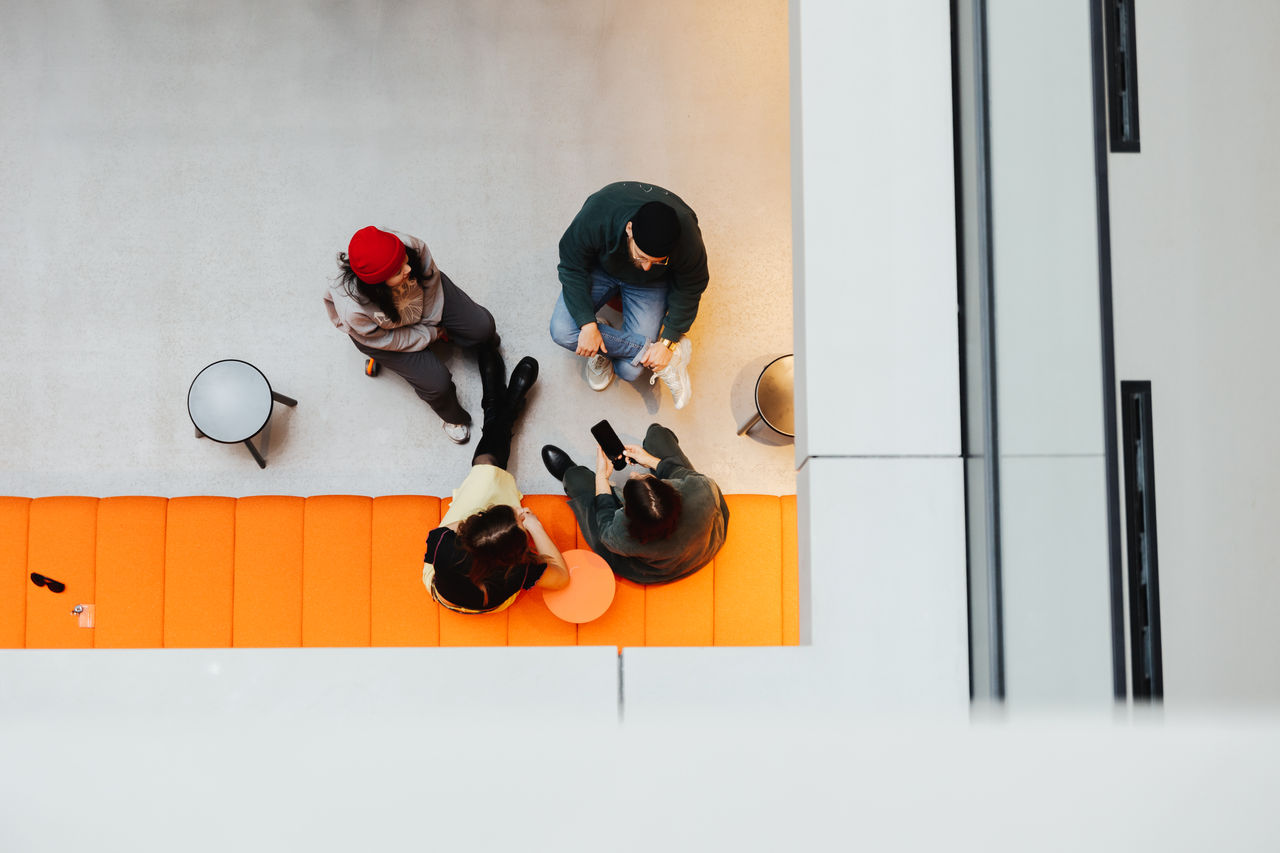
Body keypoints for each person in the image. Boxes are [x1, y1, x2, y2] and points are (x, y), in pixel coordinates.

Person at [424, 354, 571, 613]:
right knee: (488, 469)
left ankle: (495, 405)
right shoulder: (516, 572)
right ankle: (505, 406)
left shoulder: (442, 542)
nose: (519, 514)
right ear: (516, 554)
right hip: (490, 604)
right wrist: (535, 527)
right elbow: (562, 578)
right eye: (520, 522)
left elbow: (451, 528)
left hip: (444, 591)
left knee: (486, 468)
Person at [325, 226, 499, 444]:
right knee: (437, 383)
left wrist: (432, 323)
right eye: (398, 272)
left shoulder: (410, 246)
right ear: (378, 286)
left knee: (482, 327)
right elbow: (385, 339)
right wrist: (430, 333)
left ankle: (464, 338)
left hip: (424, 301)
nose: (408, 268)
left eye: (404, 260)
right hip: (382, 336)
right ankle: (452, 418)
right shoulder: (353, 309)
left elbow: (433, 283)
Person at [549, 181, 709, 409]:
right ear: (629, 229)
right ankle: (669, 358)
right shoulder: (599, 212)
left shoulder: (687, 239)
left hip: (651, 286)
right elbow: (571, 266)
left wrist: (668, 339)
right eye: (641, 256)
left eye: (658, 261)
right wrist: (587, 325)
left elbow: (691, 286)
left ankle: (604, 339)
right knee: (563, 330)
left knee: (630, 371)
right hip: (601, 268)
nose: (646, 267)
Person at [540, 424, 729, 584]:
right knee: (657, 433)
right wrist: (649, 460)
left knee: (576, 479)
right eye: (641, 476)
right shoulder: (701, 489)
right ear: (671, 489)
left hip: (656, 570)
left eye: (637, 476)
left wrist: (601, 477)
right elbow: (680, 472)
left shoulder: (622, 535)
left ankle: (570, 474)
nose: (633, 473)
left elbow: (605, 524)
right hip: (705, 546)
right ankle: (652, 451)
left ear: (624, 510)